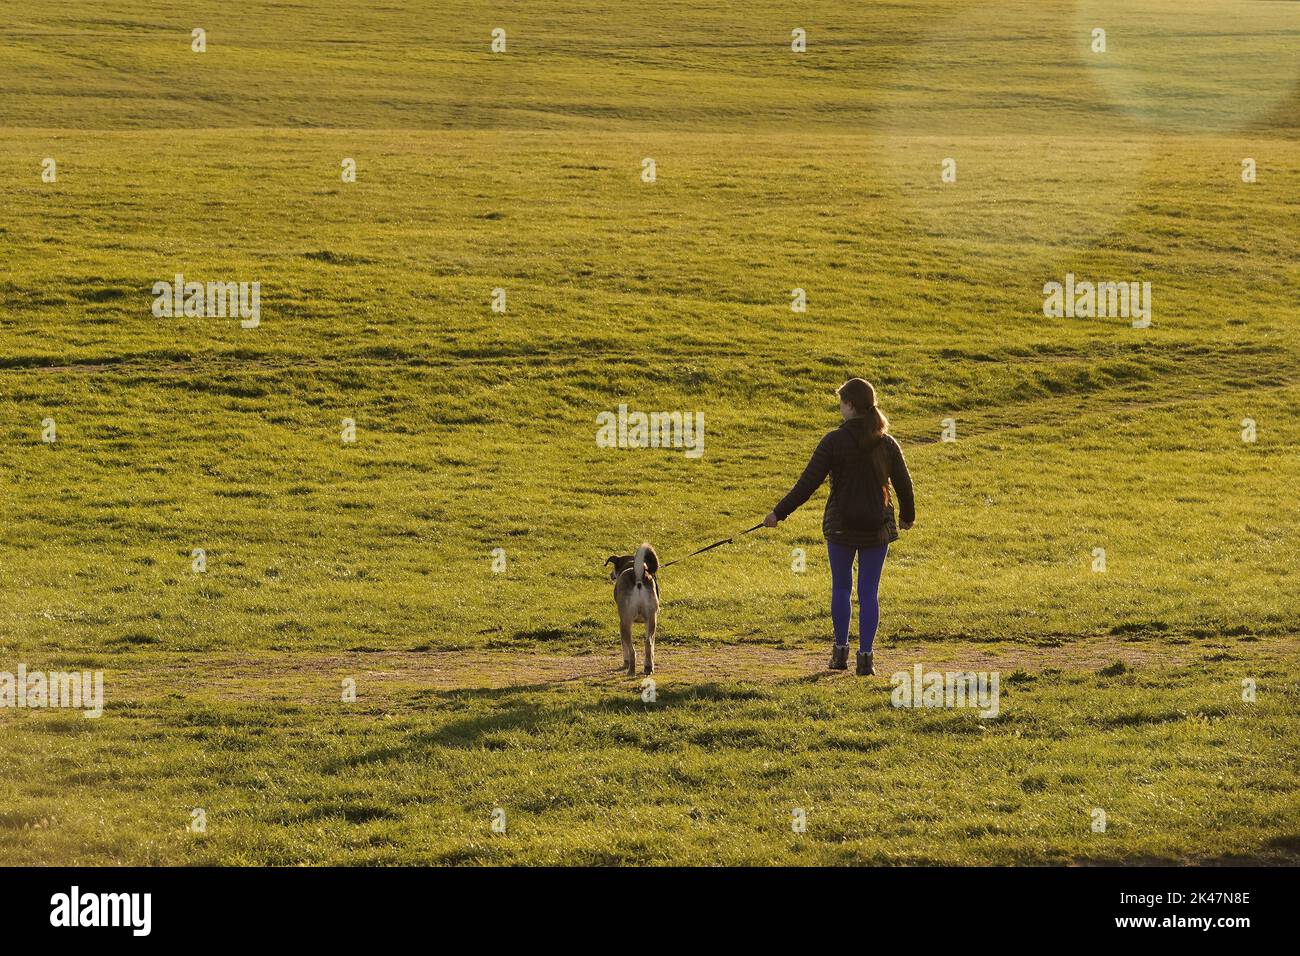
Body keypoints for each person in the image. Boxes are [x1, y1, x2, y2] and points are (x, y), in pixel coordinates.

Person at [763, 379, 915, 675]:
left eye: (841, 402)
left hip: (841, 527)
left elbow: (806, 484)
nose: (839, 407)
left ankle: (840, 652)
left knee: (842, 588)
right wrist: (907, 516)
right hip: (877, 528)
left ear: (850, 405)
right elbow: (904, 485)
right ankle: (866, 658)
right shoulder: (887, 443)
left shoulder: (833, 441)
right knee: (869, 592)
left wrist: (777, 514)